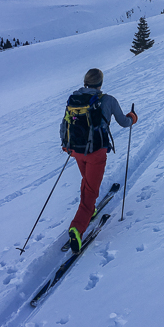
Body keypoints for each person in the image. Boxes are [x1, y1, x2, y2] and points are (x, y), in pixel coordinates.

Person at [61, 68, 137, 253]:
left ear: (86, 82)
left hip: (76, 151)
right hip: (96, 152)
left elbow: (64, 124)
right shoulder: (107, 100)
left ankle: (90, 209)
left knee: (87, 182)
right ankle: (77, 229)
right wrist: (132, 117)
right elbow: (124, 122)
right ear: (100, 83)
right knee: (91, 190)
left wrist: (66, 146)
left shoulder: (74, 99)